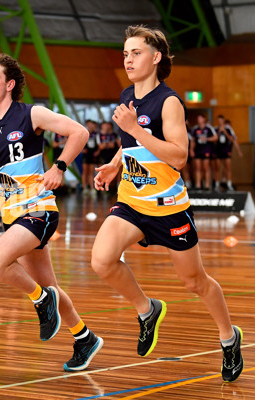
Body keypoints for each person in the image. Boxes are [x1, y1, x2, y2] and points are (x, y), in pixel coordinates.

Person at [91, 25, 243, 382]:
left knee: (194, 282)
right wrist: (115, 165)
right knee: (101, 260)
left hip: (168, 208)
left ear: (156, 57)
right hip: (132, 201)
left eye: (136, 53)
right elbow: (130, 141)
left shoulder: (169, 101)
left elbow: (179, 156)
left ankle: (228, 337)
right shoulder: (127, 94)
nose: (128, 59)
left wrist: (138, 130)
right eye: (125, 53)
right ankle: (147, 310)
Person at [0, 53, 103, 372]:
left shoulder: (31, 114)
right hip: (10, 214)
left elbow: (80, 133)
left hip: (38, 210)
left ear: (10, 84)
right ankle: (84, 337)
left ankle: (40, 299)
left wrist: (59, 167)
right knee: (51, 285)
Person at [214, 115, 243, 191]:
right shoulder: (216, 129)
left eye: (221, 120)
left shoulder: (229, 129)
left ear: (223, 120)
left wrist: (225, 132)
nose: (220, 122)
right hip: (218, 151)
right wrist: (219, 132)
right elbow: (213, 140)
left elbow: (232, 139)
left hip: (227, 150)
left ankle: (229, 184)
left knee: (228, 167)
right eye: (218, 120)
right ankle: (217, 184)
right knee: (217, 168)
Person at [190, 114, 217, 190]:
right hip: (198, 150)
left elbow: (215, 137)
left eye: (200, 118)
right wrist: (191, 150)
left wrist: (206, 139)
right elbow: (193, 140)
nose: (199, 120)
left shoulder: (209, 128)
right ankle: (198, 185)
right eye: (198, 118)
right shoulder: (195, 128)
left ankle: (207, 185)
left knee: (206, 168)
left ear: (204, 119)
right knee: (198, 168)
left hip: (206, 150)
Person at [81, 120, 100, 195]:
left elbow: (99, 144)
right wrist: (82, 149)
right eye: (88, 124)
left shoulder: (96, 134)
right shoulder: (84, 132)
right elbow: (79, 142)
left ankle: (92, 188)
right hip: (85, 154)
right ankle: (84, 187)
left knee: (91, 172)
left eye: (91, 124)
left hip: (92, 154)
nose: (90, 126)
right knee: (85, 172)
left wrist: (97, 151)